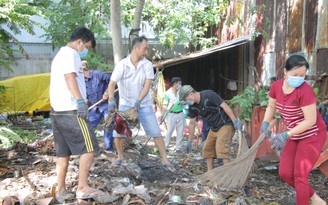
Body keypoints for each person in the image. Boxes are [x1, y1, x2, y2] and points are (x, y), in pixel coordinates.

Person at [260, 55, 327, 205]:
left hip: (312, 135)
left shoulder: (305, 91)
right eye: (295, 74)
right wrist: (265, 123)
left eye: (302, 75)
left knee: (300, 175)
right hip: (295, 134)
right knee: (284, 173)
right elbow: (271, 106)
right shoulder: (276, 86)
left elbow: (311, 121)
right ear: (285, 72)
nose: (299, 78)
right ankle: (315, 199)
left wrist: (285, 135)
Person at [50, 26, 104, 202]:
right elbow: (69, 77)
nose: (85, 50)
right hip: (71, 109)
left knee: (62, 153)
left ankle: (61, 190)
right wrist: (80, 101)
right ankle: (82, 187)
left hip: (57, 111)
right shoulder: (71, 54)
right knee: (90, 147)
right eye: (86, 46)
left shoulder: (59, 55)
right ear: (80, 41)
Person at [106, 36, 175, 172]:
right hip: (125, 105)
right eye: (145, 48)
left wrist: (139, 100)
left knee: (155, 132)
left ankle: (165, 159)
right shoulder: (122, 65)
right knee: (118, 133)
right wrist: (111, 99)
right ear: (136, 48)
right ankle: (120, 157)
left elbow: (147, 84)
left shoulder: (147, 65)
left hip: (144, 104)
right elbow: (112, 83)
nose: (146, 51)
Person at [179, 85, 244, 171]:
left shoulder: (209, 95)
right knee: (207, 149)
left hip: (225, 125)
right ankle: (210, 174)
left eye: (185, 99)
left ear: (191, 94)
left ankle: (227, 174)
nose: (186, 102)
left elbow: (225, 106)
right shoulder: (192, 107)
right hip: (214, 128)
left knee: (222, 149)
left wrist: (235, 121)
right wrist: (190, 141)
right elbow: (192, 123)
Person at [81, 60, 115, 153]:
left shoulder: (98, 74)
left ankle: (109, 148)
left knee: (108, 124)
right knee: (89, 126)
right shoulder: (82, 82)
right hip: (96, 107)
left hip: (106, 105)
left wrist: (107, 93)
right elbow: (87, 97)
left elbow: (112, 81)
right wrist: (83, 106)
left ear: (82, 69)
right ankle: (90, 148)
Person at [161, 77, 184, 152]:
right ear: (175, 84)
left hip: (180, 113)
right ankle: (165, 146)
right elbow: (165, 104)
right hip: (172, 114)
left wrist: (183, 102)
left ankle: (178, 148)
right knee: (170, 130)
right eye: (179, 84)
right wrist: (162, 115)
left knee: (180, 131)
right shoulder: (168, 93)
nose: (180, 85)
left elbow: (185, 100)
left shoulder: (180, 92)